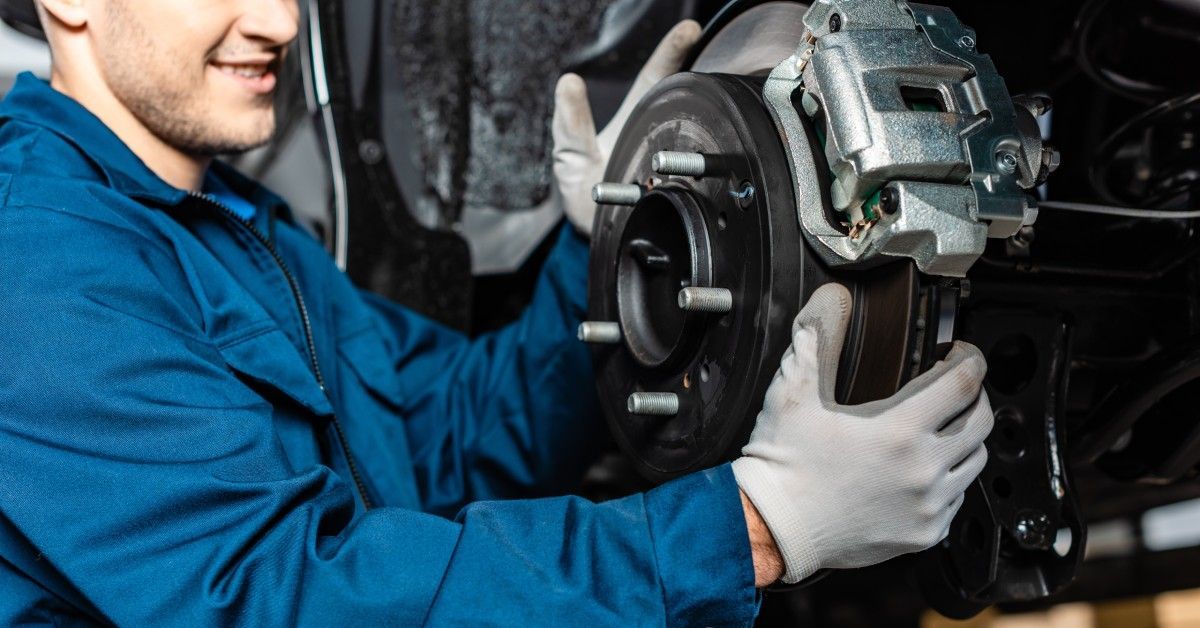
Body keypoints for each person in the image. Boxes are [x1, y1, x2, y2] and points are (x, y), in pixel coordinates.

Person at [0, 1, 994, 625]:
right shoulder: (38, 264)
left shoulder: (241, 228)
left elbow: (453, 437)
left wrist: (603, 253)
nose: (280, 22)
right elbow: (280, 597)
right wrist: (752, 528)